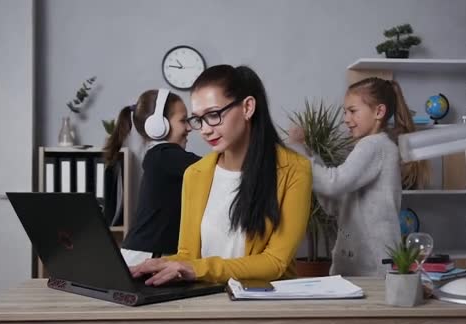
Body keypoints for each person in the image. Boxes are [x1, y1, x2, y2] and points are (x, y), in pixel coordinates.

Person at [130, 65, 312, 286]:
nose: (205, 129)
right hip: (206, 304)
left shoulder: (294, 170)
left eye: (214, 115)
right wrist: (159, 265)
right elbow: (188, 255)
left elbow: (276, 262)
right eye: (198, 119)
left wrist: (197, 268)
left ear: (247, 107)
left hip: (264, 307)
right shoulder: (195, 174)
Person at [289, 77, 428, 277]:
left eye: (352, 111)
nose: (346, 118)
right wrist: (308, 153)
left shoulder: (374, 146)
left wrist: (300, 154)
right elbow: (334, 204)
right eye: (345, 112)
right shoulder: (373, 147)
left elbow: (332, 183)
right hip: (358, 261)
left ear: (378, 112)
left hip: (371, 264)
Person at [104, 88, 200, 266]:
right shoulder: (164, 155)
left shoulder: (159, 156)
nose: (188, 127)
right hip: (147, 255)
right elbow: (212, 167)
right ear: (158, 126)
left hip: (147, 253)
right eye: (182, 121)